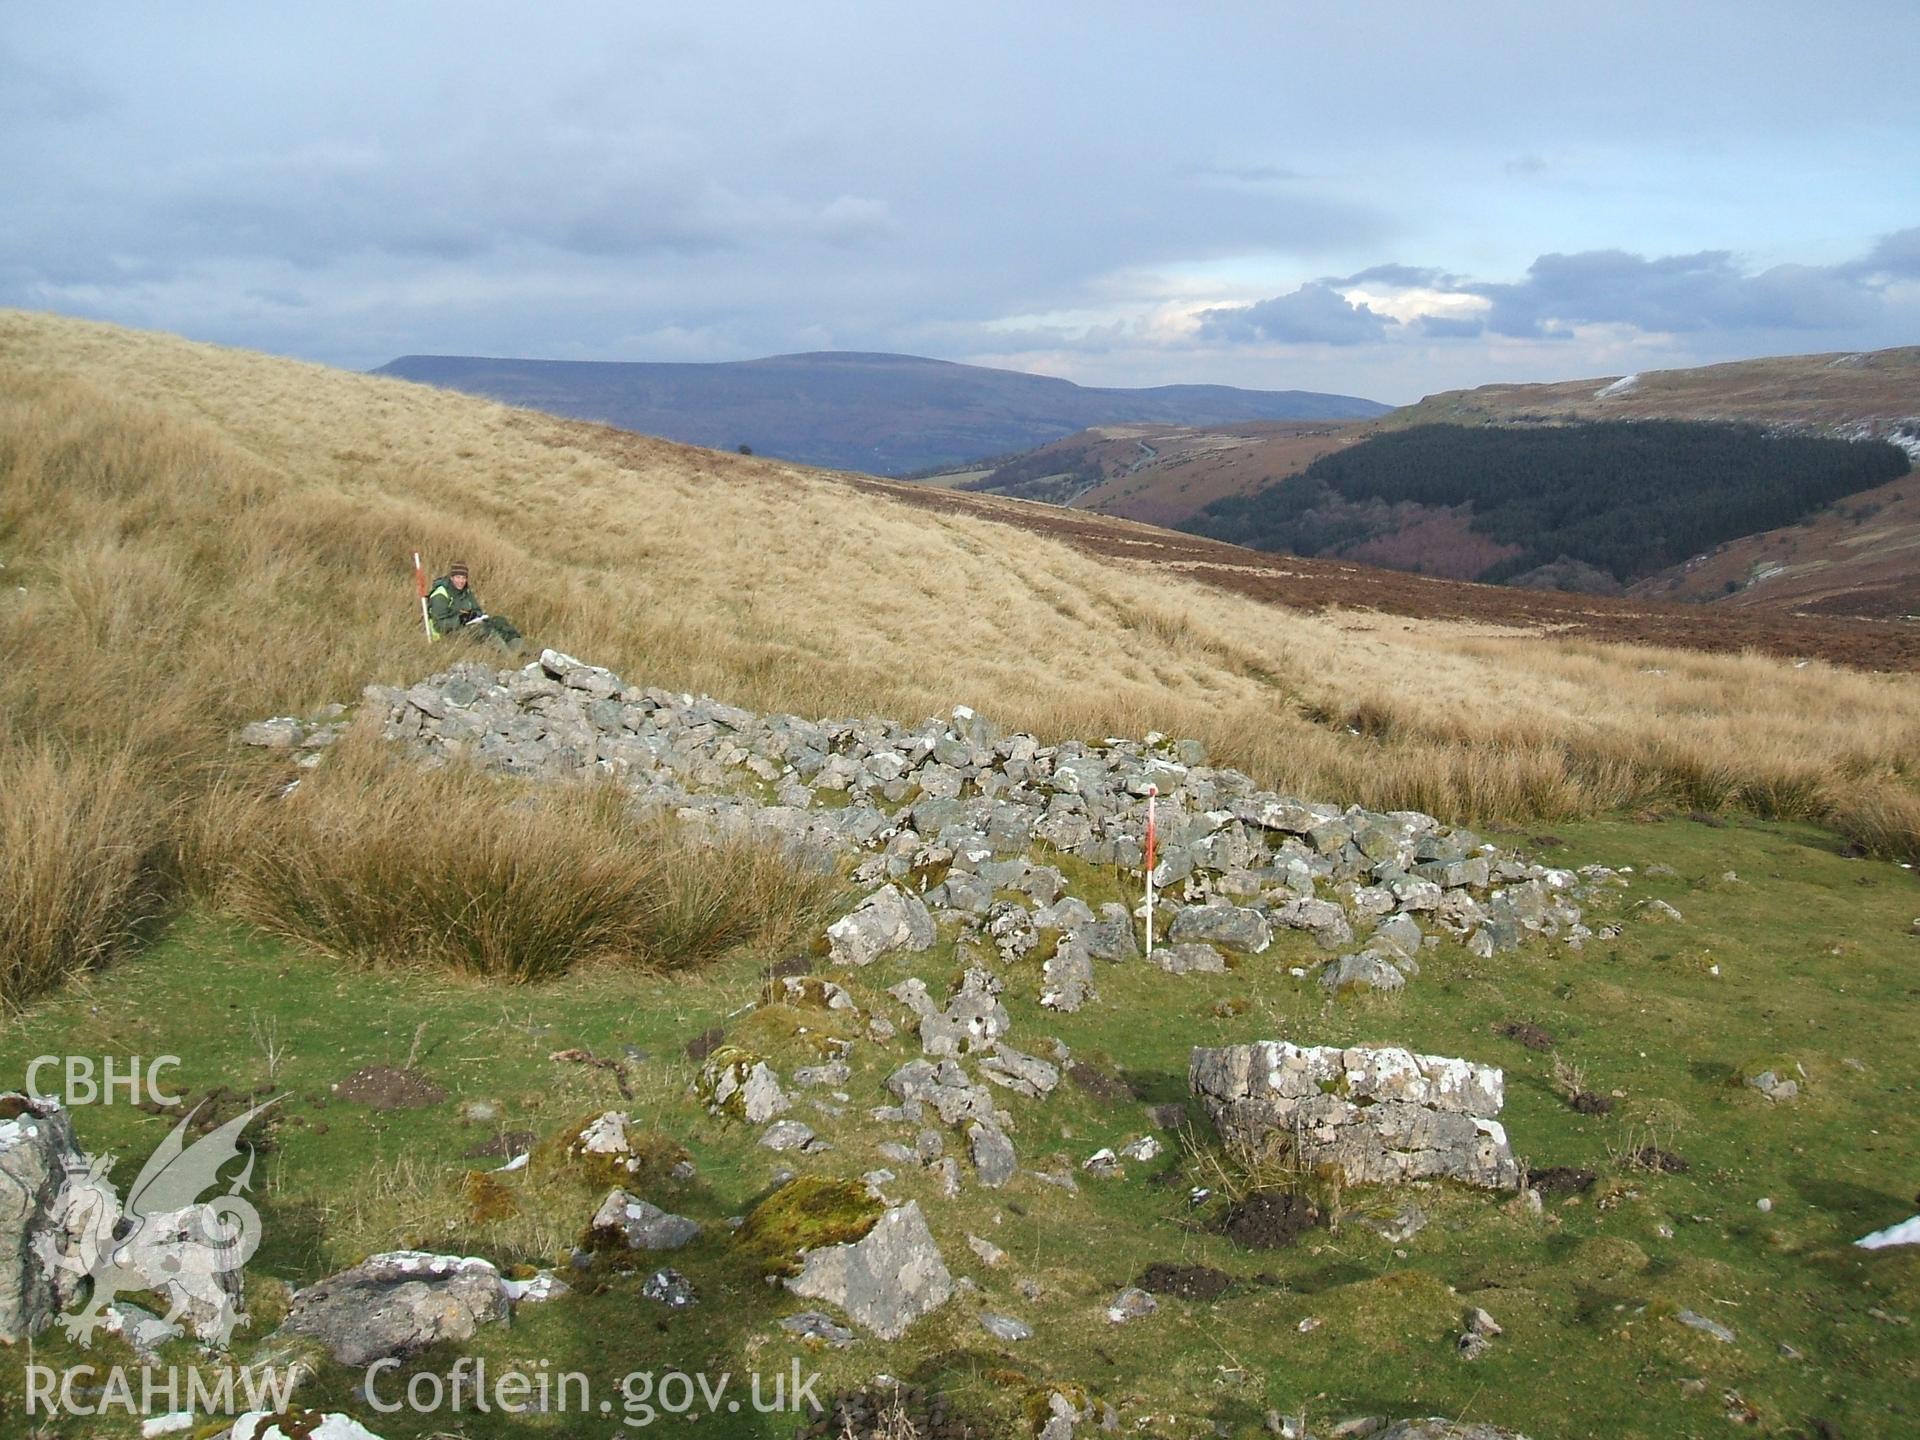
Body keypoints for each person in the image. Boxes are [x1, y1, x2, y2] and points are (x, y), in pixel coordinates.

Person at [426, 562, 526, 654]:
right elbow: (438, 625)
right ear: (451, 578)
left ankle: (520, 651)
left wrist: (475, 615)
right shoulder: (440, 594)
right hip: (448, 635)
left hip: (469, 625)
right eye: (458, 577)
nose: (461, 581)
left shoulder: (466, 591)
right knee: (482, 629)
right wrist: (460, 619)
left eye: (463, 578)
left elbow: (477, 609)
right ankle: (507, 658)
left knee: (499, 621)